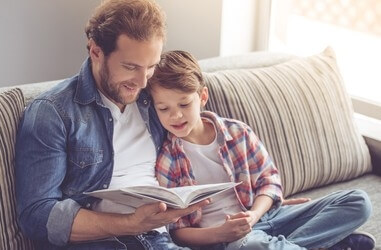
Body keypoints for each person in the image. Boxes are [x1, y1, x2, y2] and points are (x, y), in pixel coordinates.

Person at [14, 1, 209, 249]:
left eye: (150, 67)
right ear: (96, 52)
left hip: (160, 239)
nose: (141, 82)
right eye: (130, 67)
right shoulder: (53, 112)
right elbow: (37, 215)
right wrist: (131, 223)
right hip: (105, 242)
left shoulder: (155, 98)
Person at [148, 50, 376, 250]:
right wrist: (219, 234)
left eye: (184, 104)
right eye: (164, 108)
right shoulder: (168, 161)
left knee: (358, 202)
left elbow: (269, 181)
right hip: (228, 240)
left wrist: (255, 214)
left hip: (267, 216)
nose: (175, 115)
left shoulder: (238, 133)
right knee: (253, 244)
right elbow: (176, 230)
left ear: (203, 97)